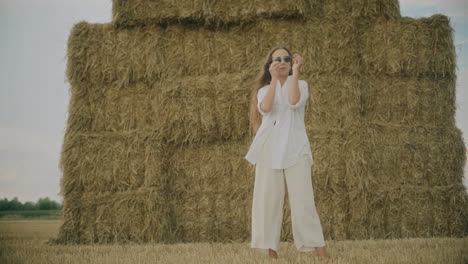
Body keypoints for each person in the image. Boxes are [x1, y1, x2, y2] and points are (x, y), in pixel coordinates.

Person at [244, 46, 329, 260]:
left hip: (295, 147)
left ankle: (320, 250)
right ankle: (272, 253)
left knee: (304, 200)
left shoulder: (300, 84)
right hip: (269, 149)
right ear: (270, 65)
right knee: (268, 199)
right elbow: (265, 107)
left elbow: (293, 102)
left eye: (286, 59)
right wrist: (274, 79)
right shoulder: (264, 89)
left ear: (292, 63)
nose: (282, 62)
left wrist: (296, 73)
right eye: (277, 59)